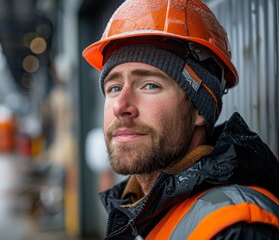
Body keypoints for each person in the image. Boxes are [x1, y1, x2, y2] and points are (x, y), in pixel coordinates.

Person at [82, 0, 279, 239]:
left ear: (198, 107)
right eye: (114, 88)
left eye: (150, 85)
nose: (121, 106)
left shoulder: (237, 228)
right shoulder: (141, 211)